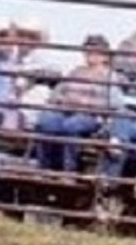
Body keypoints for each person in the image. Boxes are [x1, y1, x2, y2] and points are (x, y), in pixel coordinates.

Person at [34, 33, 116, 172]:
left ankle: (68, 169)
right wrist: (61, 101)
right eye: (88, 51)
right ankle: (44, 167)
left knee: (72, 126)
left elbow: (111, 103)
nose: (91, 55)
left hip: (90, 115)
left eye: (96, 52)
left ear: (105, 55)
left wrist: (84, 103)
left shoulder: (109, 77)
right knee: (46, 121)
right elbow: (57, 93)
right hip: (65, 110)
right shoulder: (76, 72)